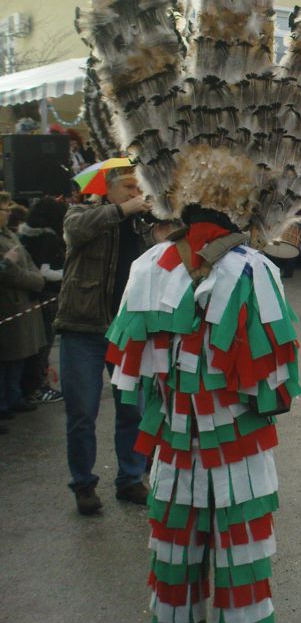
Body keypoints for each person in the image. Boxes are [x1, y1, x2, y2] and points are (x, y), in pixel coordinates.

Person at [54, 165, 151, 514]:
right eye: (127, 187)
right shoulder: (83, 212)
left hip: (125, 331)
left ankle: (130, 479)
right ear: (109, 190)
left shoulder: (143, 226)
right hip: (83, 329)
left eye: (137, 187)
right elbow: (74, 232)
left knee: (132, 411)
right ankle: (83, 484)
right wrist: (122, 210)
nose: (134, 192)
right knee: (82, 412)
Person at [0, 193, 49, 434]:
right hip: (9, 303)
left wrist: (34, 277)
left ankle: (15, 396)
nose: (7, 212)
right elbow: (11, 273)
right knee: (7, 356)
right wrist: (35, 280)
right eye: (3, 208)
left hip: (21, 302)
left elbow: (27, 262)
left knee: (18, 356)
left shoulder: (10, 235)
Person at [17, 196, 67, 404]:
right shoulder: (48, 238)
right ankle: (39, 387)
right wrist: (68, 274)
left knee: (35, 346)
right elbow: (45, 271)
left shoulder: (25, 235)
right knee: (44, 345)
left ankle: (28, 387)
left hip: (30, 296)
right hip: (47, 295)